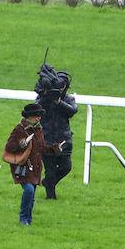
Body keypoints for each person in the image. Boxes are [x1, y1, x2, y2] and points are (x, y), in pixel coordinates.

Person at [5, 103, 61, 226]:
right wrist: (23, 143)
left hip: (35, 168)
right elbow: (10, 146)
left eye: (40, 115)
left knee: (32, 194)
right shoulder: (19, 129)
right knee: (29, 191)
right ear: (29, 116)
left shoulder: (38, 129)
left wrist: (55, 148)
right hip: (22, 167)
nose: (39, 118)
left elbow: (41, 148)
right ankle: (23, 219)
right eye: (36, 115)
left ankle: (28, 219)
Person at [35, 69, 77, 200]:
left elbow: (72, 110)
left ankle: (48, 182)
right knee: (50, 170)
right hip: (47, 139)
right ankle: (51, 197)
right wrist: (45, 97)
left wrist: (59, 103)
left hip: (64, 139)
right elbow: (35, 108)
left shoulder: (69, 99)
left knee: (66, 167)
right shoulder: (43, 98)